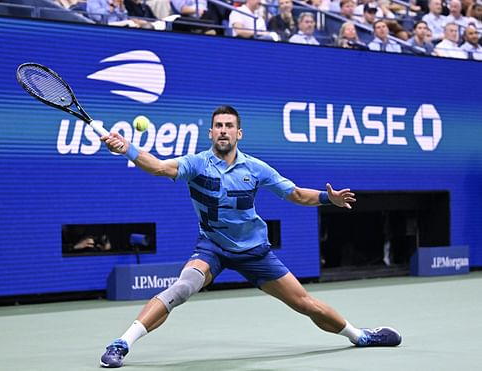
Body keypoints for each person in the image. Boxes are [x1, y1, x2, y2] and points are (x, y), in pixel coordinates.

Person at [98, 105, 402, 368]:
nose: (223, 131)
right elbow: (160, 168)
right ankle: (121, 344)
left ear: (238, 133)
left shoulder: (255, 169)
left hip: (254, 252)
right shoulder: (197, 163)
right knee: (181, 288)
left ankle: (361, 336)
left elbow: (295, 193)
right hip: (212, 246)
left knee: (306, 304)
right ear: (211, 133)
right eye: (218, 126)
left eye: (229, 126)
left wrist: (327, 198)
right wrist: (128, 149)